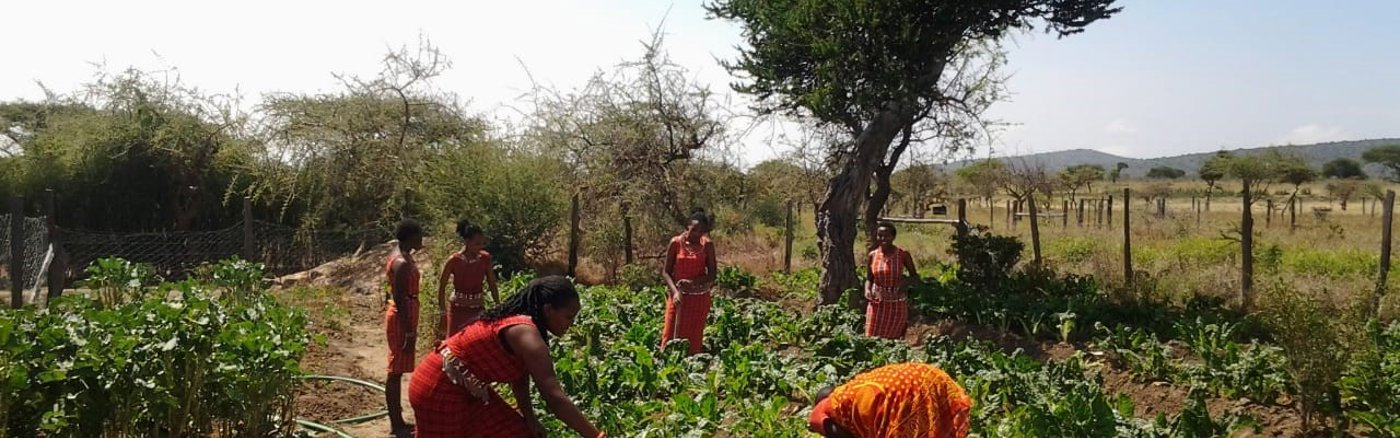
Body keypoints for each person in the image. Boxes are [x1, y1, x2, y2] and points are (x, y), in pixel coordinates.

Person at [408, 275, 605, 438]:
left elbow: (519, 378)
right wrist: (597, 436)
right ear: (548, 310)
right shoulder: (526, 334)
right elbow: (555, 399)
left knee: (519, 432)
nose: (571, 323)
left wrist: (530, 418)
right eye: (568, 317)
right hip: (439, 388)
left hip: (466, 387)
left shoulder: (524, 328)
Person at [807, 362, 972, 438]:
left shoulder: (827, 415)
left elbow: (822, 424)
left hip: (906, 393)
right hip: (931, 377)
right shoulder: (853, 389)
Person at [385, 219, 424, 435]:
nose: (421, 239)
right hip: (402, 316)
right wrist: (409, 331)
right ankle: (396, 423)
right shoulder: (401, 262)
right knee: (395, 370)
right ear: (410, 237)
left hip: (406, 312)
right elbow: (399, 298)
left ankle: (398, 420)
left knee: (398, 369)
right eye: (419, 235)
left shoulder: (404, 255)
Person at [660, 209, 717, 355]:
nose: (696, 234)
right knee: (670, 335)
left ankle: (690, 365)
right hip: (678, 298)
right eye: (694, 230)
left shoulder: (707, 245)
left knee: (693, 339)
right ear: (688, 226)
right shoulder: (676, 243)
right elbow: (666, 272)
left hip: (698, 300)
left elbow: (712, 275)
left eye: (701, 231)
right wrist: (675, 292)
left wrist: (693, 282)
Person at [437, 220, 500, 337]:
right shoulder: (454, 260)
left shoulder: (485, 258)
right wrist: (442, 312)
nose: (480, 246)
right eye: (477, 243)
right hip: (457, 310)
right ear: (467, 241)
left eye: (482, 243)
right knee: (454, 343)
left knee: (476, 341)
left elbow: (492, 283)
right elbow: (442, 286)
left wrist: (498, 305)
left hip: (477, 309)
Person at [863, 221, 919, 339]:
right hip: (877, 302)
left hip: (896, 302)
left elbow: (915, 277)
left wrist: (904, 283)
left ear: (893, 237)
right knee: (871, 337)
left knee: (892, 339)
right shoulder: (873, 255)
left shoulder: (902, 254)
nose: (883, 239)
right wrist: (867, 290)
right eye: (880, 235)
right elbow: (869, 278)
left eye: (886, 236)